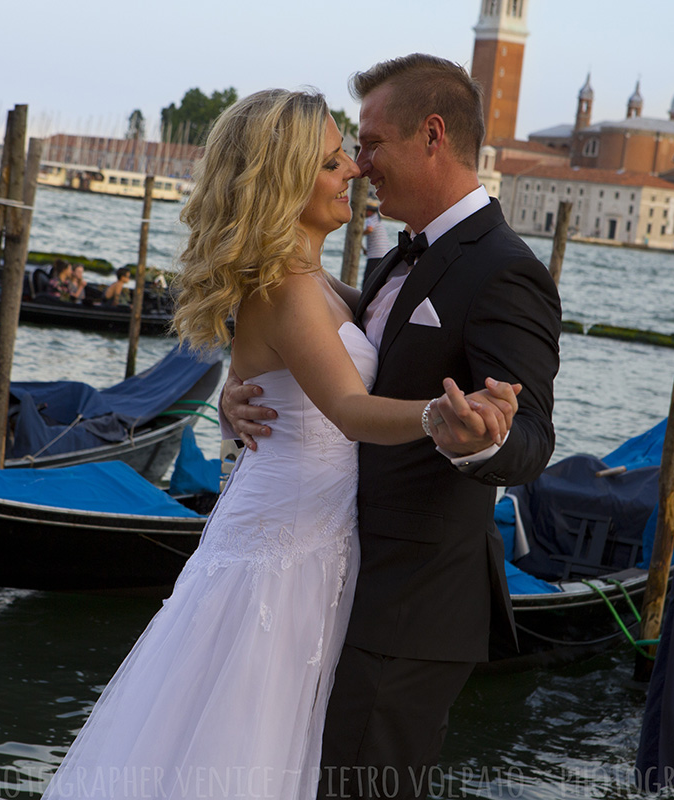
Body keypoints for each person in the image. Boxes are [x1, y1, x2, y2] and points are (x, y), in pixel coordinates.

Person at [41, 88, 514, 800]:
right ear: (285, 181)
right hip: (283, 547)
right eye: (331, 162)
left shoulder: (318, 282)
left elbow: (289, 373)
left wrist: (234, 401)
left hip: (310, 536)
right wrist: (442, 418)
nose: (353, 169)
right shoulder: (287, 289)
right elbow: (350, 409)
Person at [221, 55, 562, 799]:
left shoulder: (504, 270)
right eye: (346, 151)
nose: (358, 163)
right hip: (330, 576)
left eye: (370, 143)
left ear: (432, 135)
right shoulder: (392, 257)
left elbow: (531, 434)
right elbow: (296, 339)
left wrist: (482, 438)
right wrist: (237, 388)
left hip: (412, 604)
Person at [361, 200, 391, 289]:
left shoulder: (370, 219)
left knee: (367, 280)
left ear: (369, 211)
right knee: (376, 280)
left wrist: (359, 234)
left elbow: (369, 229)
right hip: (383, 253)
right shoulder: (378, 221)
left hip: (375, 255)